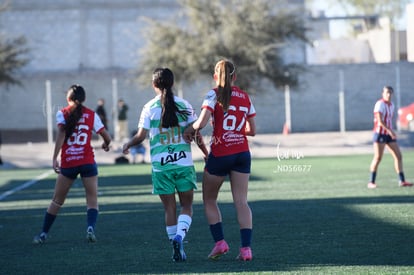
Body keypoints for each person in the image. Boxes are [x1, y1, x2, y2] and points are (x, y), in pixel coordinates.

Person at [122, 68, 208, 262]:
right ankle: (180, 237)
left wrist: (128, 144)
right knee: (187, 207)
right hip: (183, 165)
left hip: (161, 167)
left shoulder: (149, 107)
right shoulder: (184, 105)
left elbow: (141, 136)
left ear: (154, 85)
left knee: (170, 209)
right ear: (172, 83)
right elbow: (195, 133)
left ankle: (175, 248)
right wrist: (205, 153)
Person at [184, 59, 256, 261]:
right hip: (242, 153)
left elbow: (202, 122)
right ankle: (246, 250)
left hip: (221, 153)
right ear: (235, 76)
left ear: (215, 76)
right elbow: (253, 130)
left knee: (209, 200)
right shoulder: (245, 96)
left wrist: (190, 129)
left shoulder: (213, 94)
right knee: (241, 202)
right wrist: (236, 131)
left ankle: (220, 243)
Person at [33, 85, 111, 244]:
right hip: (87, 161)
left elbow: (61, 134)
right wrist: (106, 144)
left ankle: (43, 234)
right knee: (92, 200)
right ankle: (90, 228)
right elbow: (106, 135)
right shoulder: (91, 114)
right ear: (84, 99)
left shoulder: (62, 113)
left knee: (57, 200)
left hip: (69, 162)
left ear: (68, 98)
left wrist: (55, 157)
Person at [368, 86, 412, 189]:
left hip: (389, 134)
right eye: (387, 92)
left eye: (390, 93)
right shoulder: (379, 104)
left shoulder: (392, 105)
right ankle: (371, 181)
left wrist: (391, 130)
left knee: (398, 156)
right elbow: (380, 121)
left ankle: (402, 181)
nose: (389, 94)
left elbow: (389, 120)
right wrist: (390, 130)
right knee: (378, 158)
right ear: (382, 93)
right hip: (380, 134)